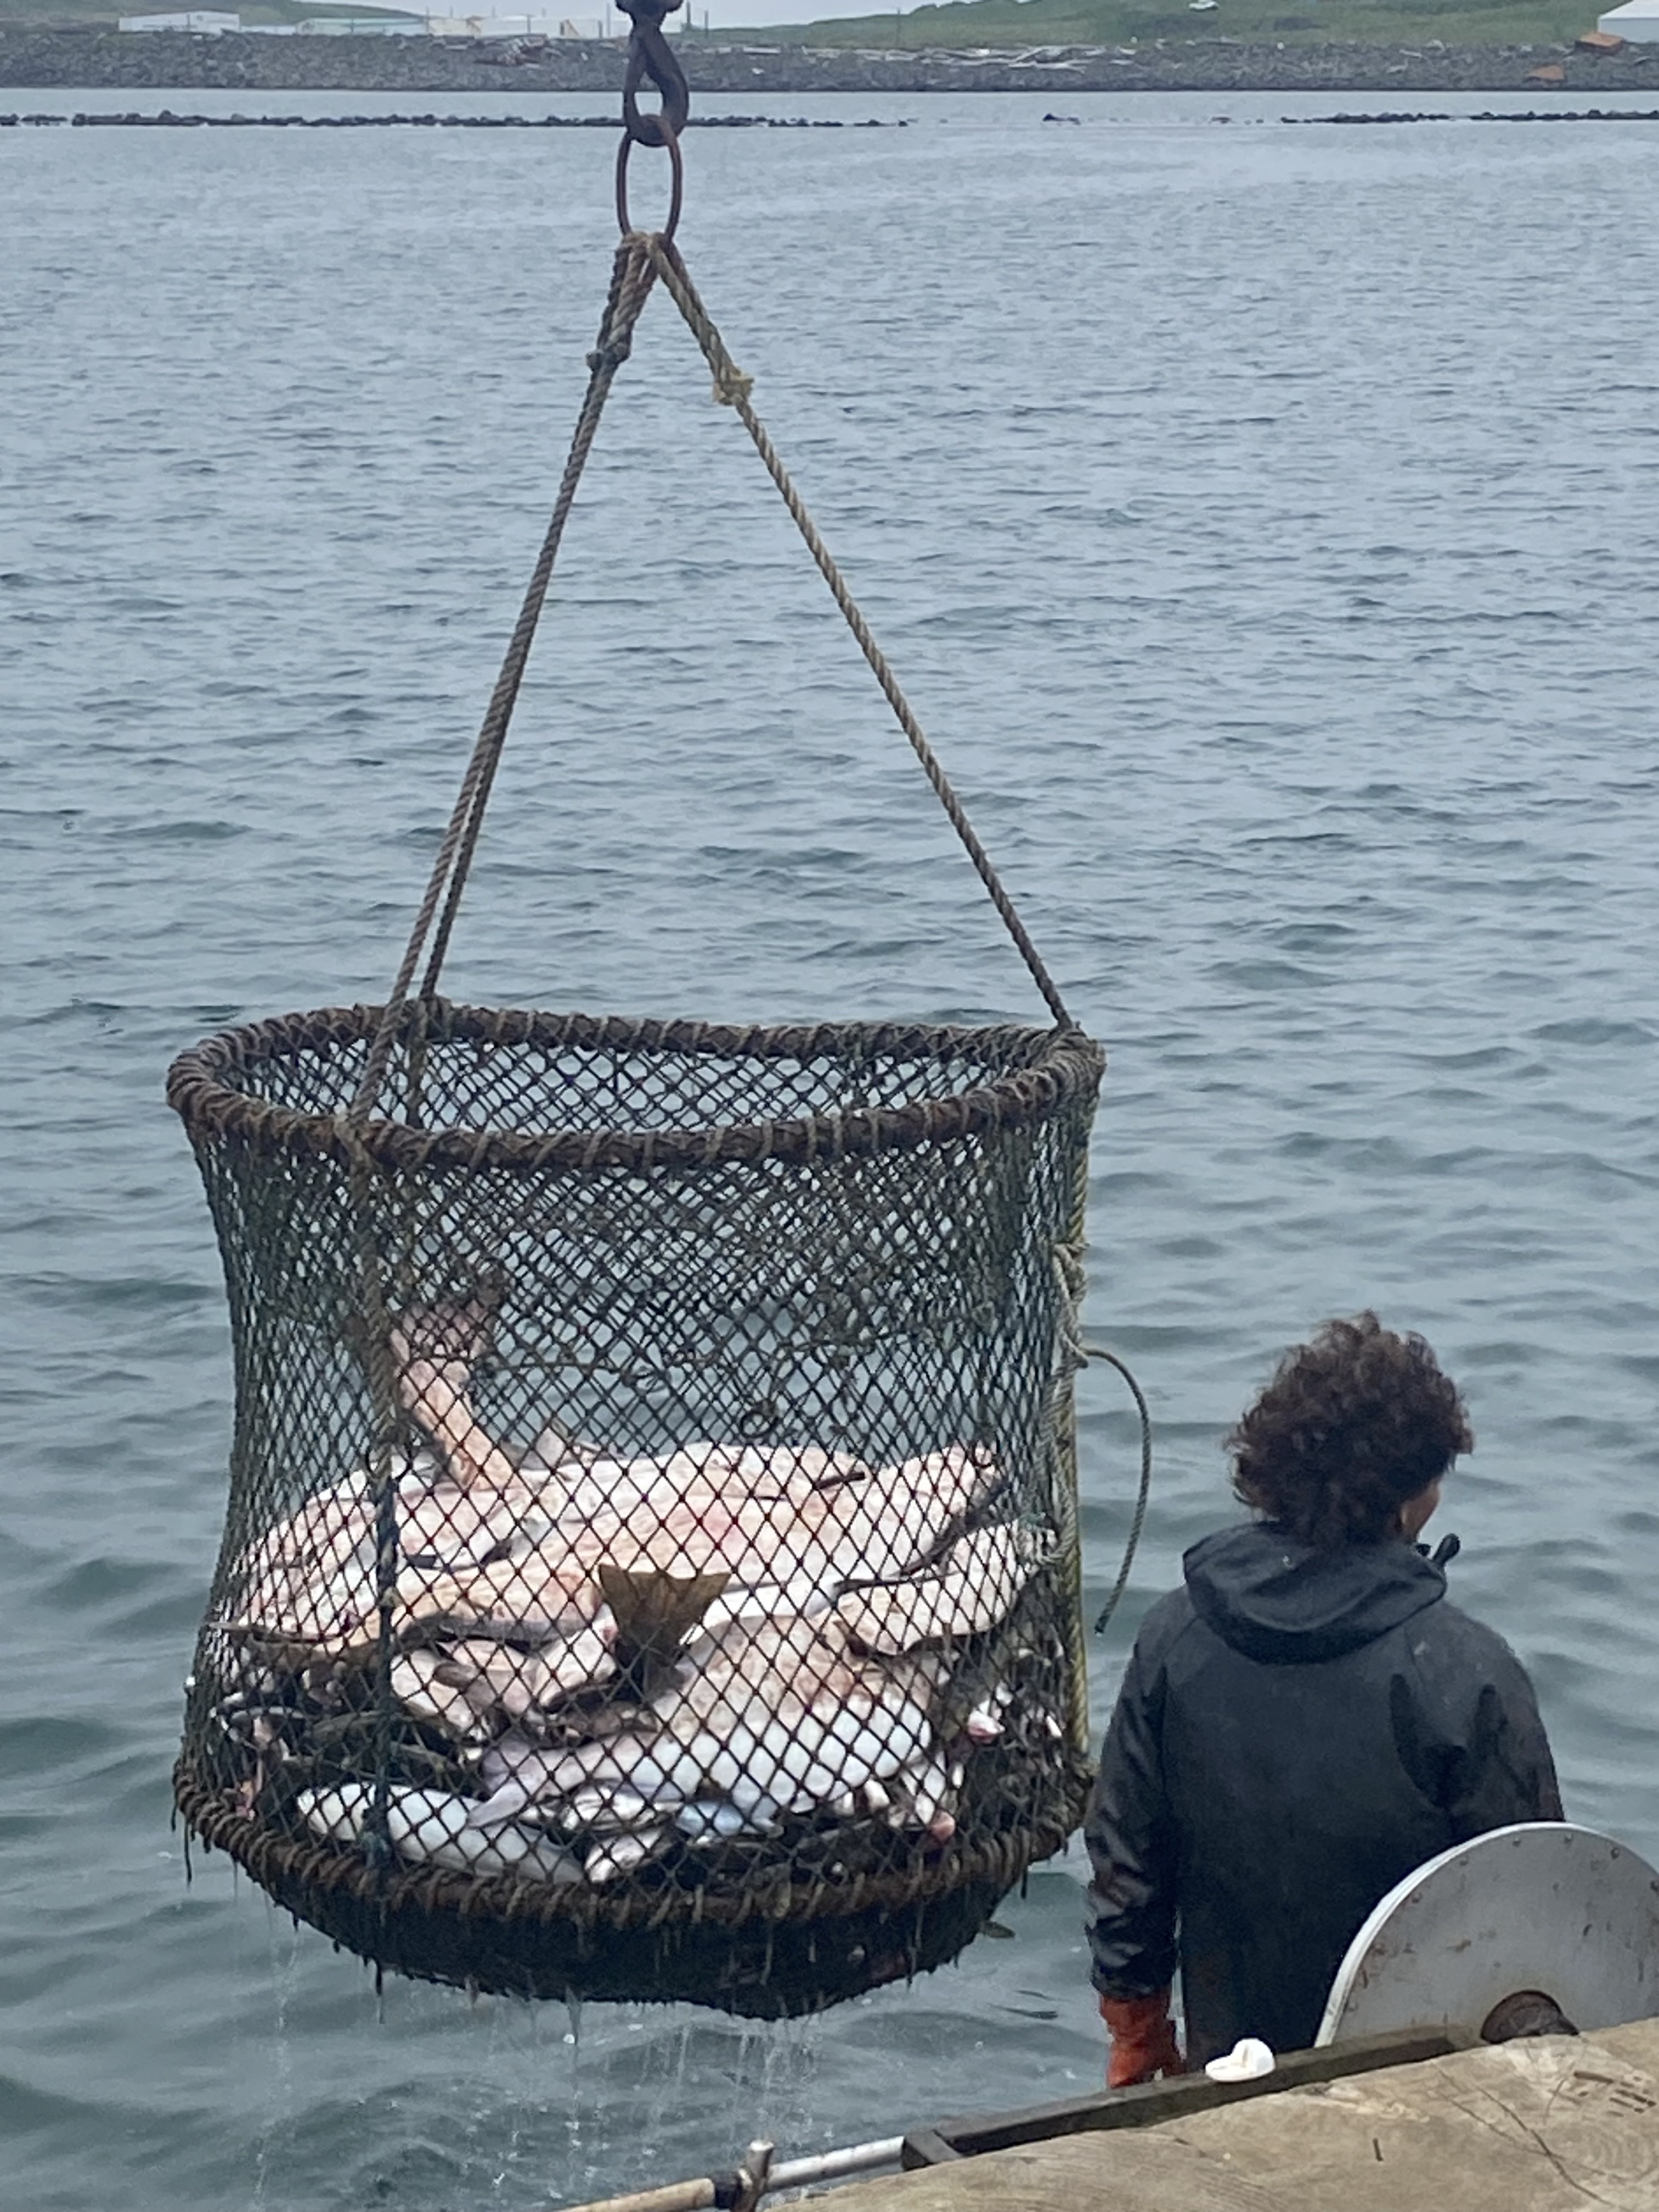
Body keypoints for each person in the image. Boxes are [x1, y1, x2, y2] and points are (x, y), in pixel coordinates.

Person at [1086, 1311, 1561, 2085]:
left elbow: (1126, 1860)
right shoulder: (1467, 1672)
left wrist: (1136, 2031)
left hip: (1230, 2075)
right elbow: (1534, 1897)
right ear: (1412, 1498)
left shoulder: (1175, 1635)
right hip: (1425, 2082)